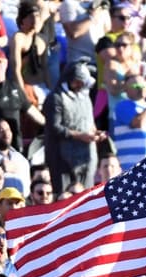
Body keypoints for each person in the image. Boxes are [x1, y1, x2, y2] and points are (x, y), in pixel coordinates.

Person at [43, 59, 103, 195]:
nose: (79, 85)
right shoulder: (56, 98)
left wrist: (96, 133)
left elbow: (89, 121)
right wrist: (80, 136)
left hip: (86, 157)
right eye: (77, 81)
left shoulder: (85, 96)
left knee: (87, 196)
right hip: (62, 159)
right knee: (65, 197)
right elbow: (54, 127)